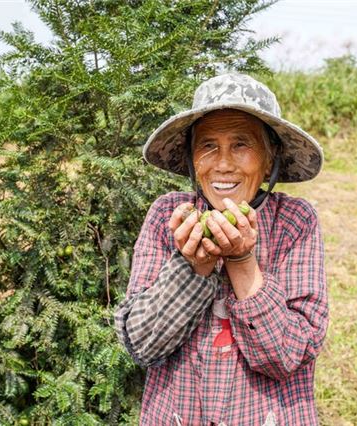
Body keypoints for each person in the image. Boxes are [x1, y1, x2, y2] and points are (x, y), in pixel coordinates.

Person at [114, 73, 328, 426]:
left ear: (269, 159)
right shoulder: (168, 217)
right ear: (192, 160)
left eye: (241, 145)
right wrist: (193, 268)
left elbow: (288, 356)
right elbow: (142, 344)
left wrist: (243, 261)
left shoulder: (296, 222)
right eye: (208, 146)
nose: (223, 163)